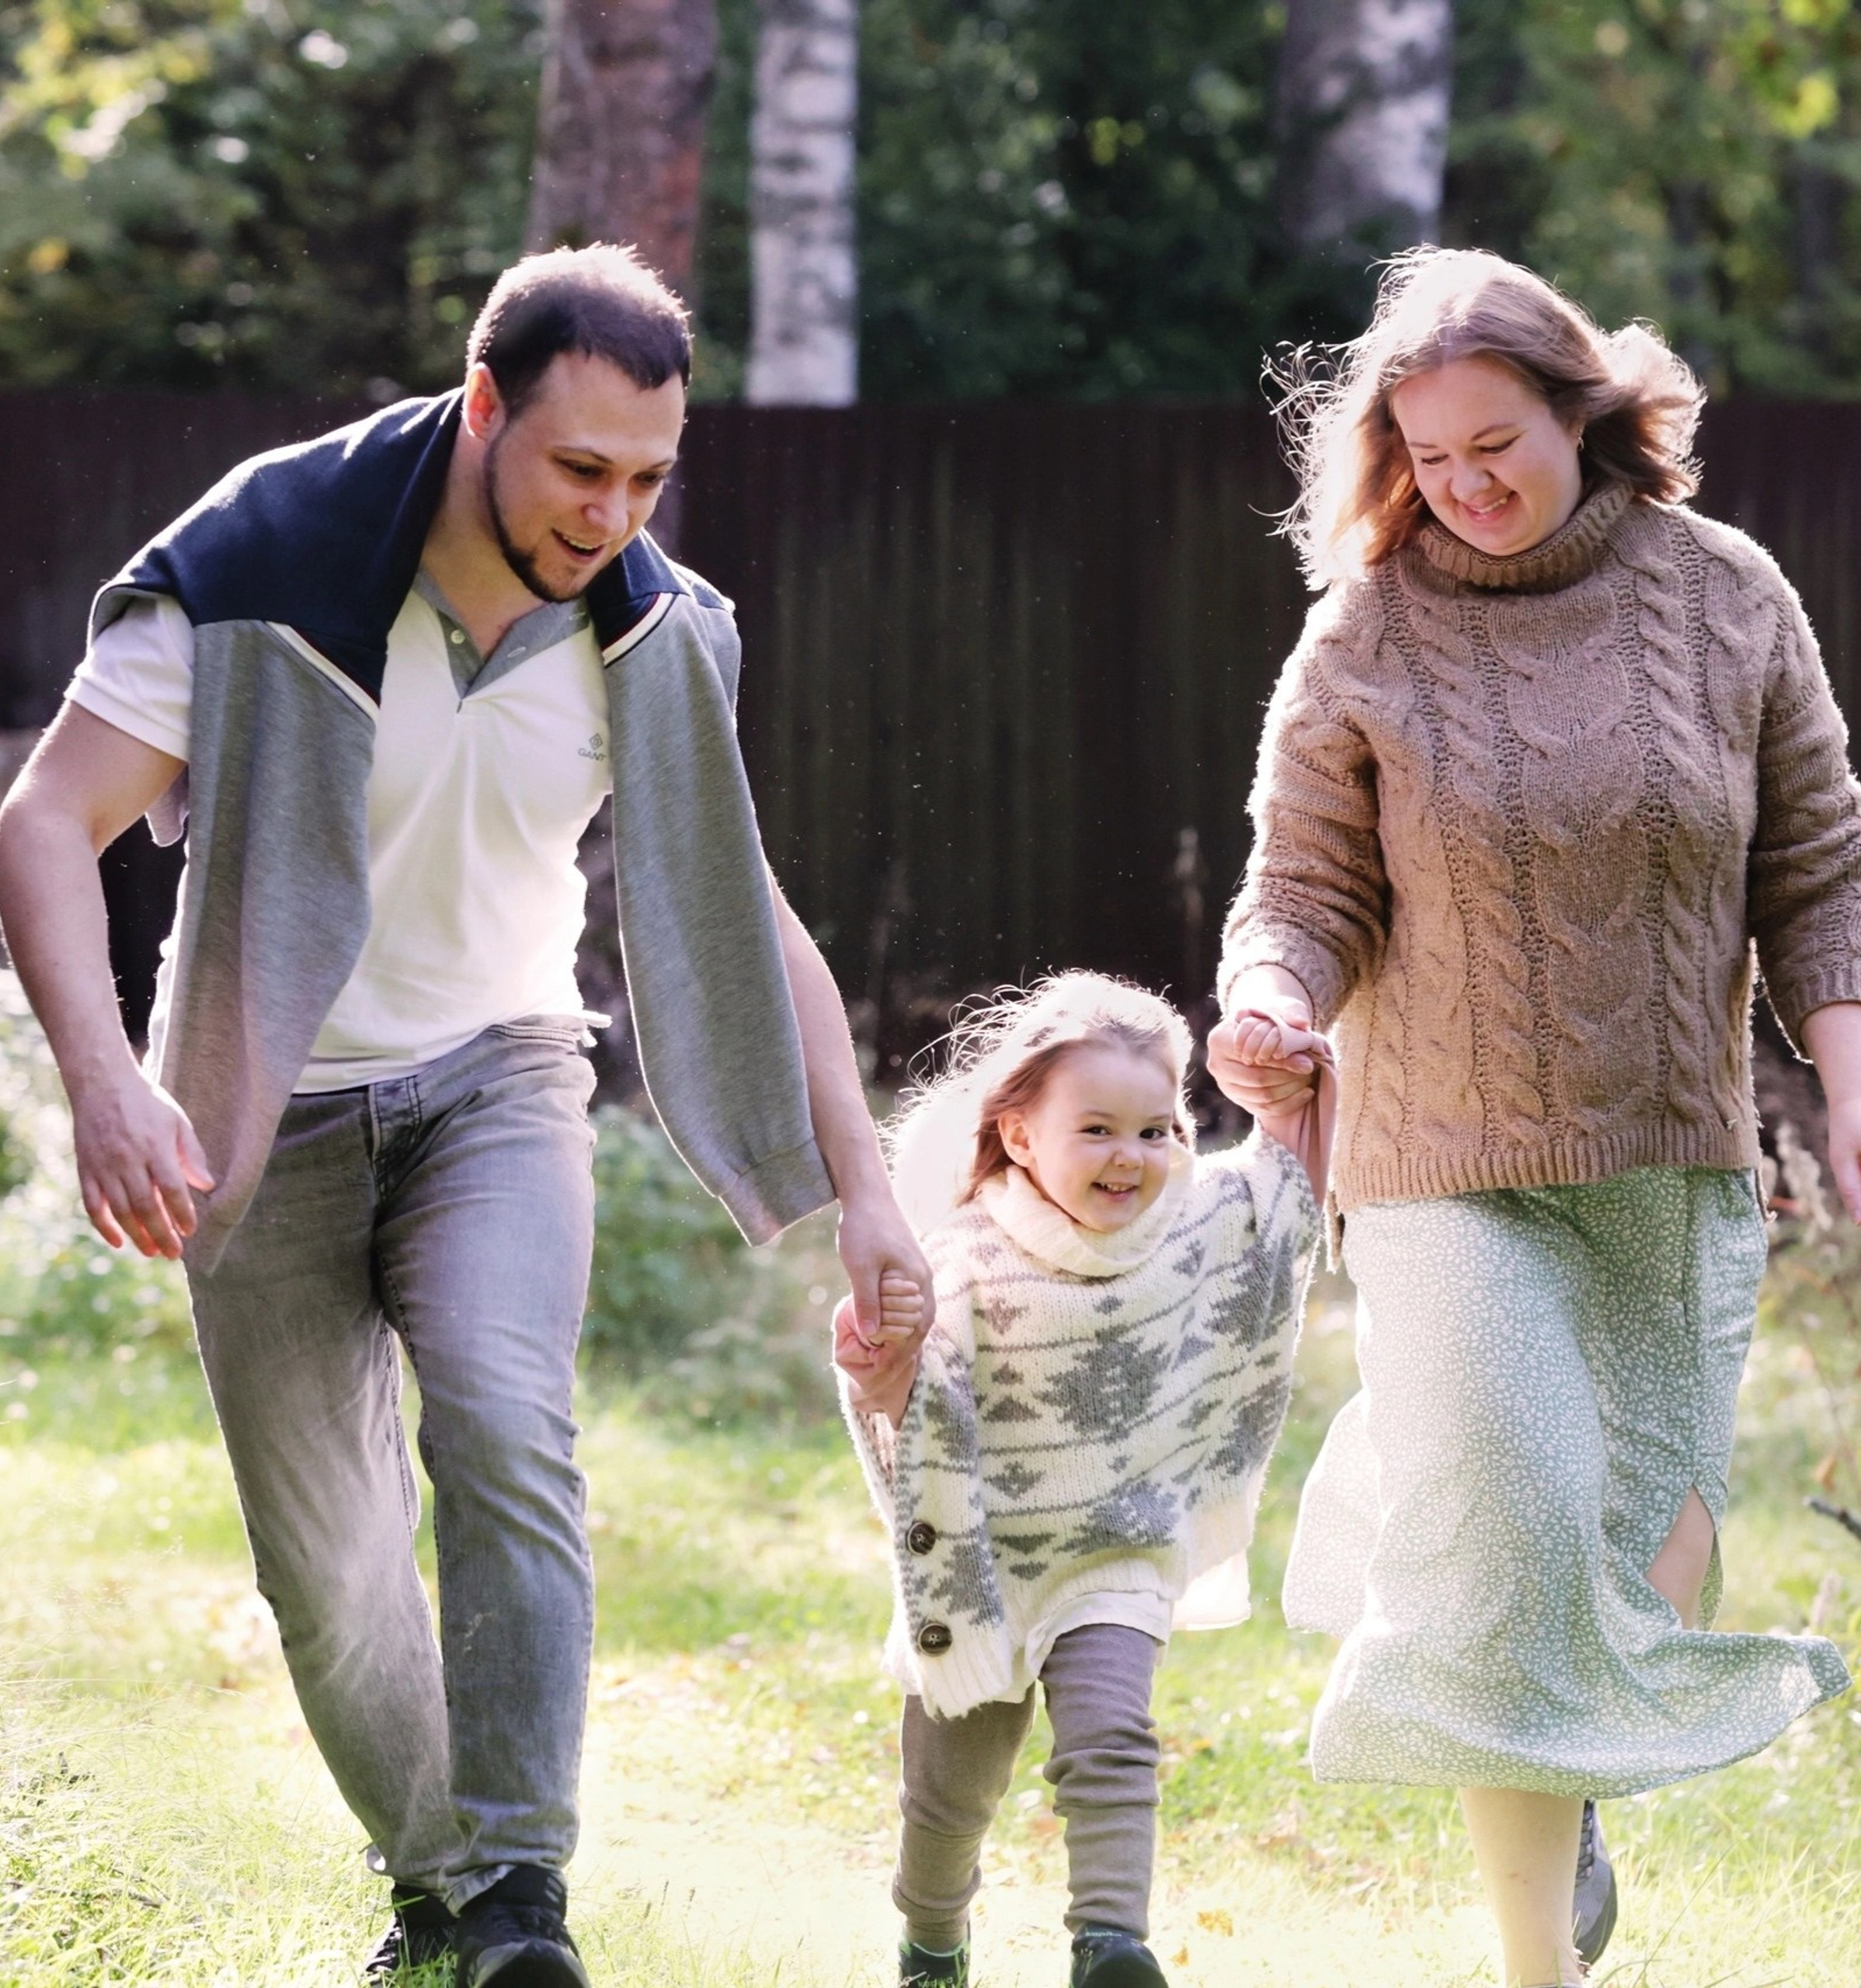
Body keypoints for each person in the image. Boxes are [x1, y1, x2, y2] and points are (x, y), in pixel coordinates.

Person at [0, 245, 932, 1988]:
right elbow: (47, 819)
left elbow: (750, 911)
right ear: (484, 404)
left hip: (500, 1074)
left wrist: (866, 1185)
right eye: (580, 467)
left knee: (508, 1426)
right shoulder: (259, 564)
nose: (611, 515)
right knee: (329, 1568)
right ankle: (437, 1887)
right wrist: (108, 1080)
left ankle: (519, 1894)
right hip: (262, 1108)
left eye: (648, 477)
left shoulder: (653, 630)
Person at [1208, 248, 1861, 1988]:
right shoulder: (1366, 631)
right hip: (1439, 1168)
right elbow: (1300, 886)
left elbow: (1819, 865)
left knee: (1643, 1553)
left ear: (1581, 413)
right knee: (1510, 1530)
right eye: (1428, 455)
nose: (1463, 484)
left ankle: (1563, 1748)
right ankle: (1540, 1963)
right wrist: (1269, 999)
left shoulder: (1724, 595)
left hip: (1667, 1165)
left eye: (1496, 444)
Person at [833, 972, 1330, 1988]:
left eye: (1156, 1131)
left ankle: (1111, 1945)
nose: (1130, 1156)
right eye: (1096, 1130)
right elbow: (917, 1403)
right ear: (1020, 1136)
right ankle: (932, 1943)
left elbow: (1280, 1201)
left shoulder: (1191, 1226)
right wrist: (880, 1364)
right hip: (985, 1566)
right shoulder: (968, 1258)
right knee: (950, 1800)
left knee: (1112, 1739)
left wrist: (1291, 1086)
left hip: (1117, 1552)